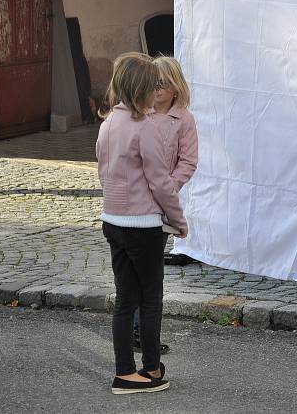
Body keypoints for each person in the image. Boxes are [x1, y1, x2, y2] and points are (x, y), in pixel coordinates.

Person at [96, 52, 188, 395]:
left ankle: (124, 370)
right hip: (143, 224)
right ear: (143, 91)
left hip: (112, 220)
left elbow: (103, 172)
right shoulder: (145, 126)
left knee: (125, 300)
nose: (156, 93)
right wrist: (178, 220)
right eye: (153, 88)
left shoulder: (108, 124)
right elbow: (161, 181)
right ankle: (150, 368)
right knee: (151, 298)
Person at [131, 55, 199, 354]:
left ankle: (147, 335)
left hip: (160, 205)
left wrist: (169, 187)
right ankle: (133, 330)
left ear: (175, 88)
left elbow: (188, 160)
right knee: (131, 272)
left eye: (164, 84)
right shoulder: (139, 114)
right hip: (133, 201)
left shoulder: (183, 119)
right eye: (153, 83)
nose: (157, 89)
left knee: (151, 274)